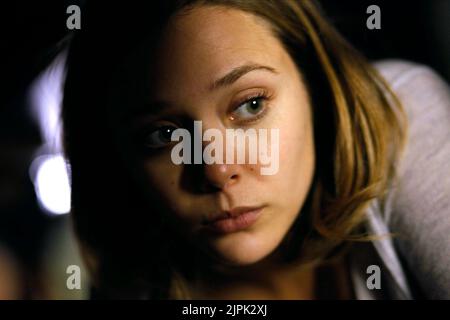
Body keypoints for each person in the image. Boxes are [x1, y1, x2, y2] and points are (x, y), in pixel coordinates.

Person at [61, 0, 450, 299]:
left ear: (315, 85)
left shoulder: (396, 112)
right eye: (163, 136)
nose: (214, 170)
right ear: (121, 161)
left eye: (250, 106)